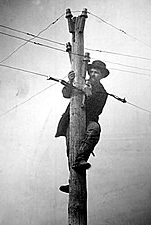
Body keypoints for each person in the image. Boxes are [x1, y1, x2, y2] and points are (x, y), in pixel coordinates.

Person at [55, 60, 109, 193]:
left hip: (88, 120)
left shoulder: (102, 93)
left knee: (95, 129)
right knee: (71, 149)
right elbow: (66, 93)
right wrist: (71, 80)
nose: (93, 74)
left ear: (102, 75)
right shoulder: (81, 81)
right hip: (71, 120)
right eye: (91, 71)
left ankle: (81, 159)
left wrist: (88, 94)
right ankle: (72, 181)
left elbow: (97, 111)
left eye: (96, 72)